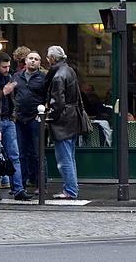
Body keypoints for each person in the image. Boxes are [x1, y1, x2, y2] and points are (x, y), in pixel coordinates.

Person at [0, 52, 30, 200]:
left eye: (9, 66)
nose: (7, 69)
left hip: (8, 121)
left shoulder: (9, 77)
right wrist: (3, 92)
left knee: (14, 156)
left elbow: (14, 99)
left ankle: (18, 189)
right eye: (4, 67)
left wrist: (13, 117)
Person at [45, 45, 82, 200]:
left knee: (64, 158)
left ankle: (70, 190)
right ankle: (72, 188)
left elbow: (58, 103)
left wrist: (49, 117)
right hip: (72, 118)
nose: (47, 60)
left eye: (48, 57)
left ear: (53, 59)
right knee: (70, 156)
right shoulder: (69, 70)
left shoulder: (58, 75)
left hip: (63, 122)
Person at [13, 50, 47, 193]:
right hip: (20, 119)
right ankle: (21, 185)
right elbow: (13, 95)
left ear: (39, 63)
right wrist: (14, 113)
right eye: (30, 58)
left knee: (37, 153)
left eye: (36, 59)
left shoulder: (43, 78)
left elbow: (48, 97)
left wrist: (43, 113)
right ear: (25, 61)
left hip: (35, 119)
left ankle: (41, 185)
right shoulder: (16, 76)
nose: (33, 61)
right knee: (21, 153)